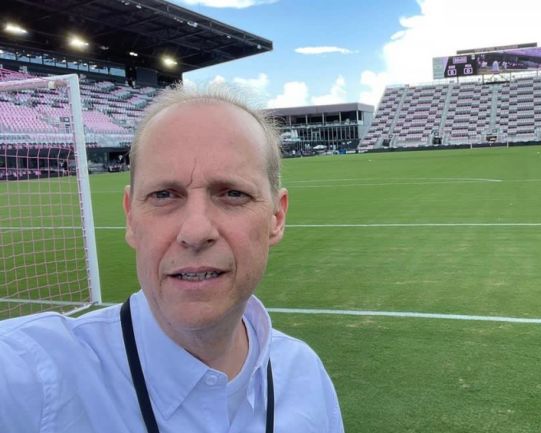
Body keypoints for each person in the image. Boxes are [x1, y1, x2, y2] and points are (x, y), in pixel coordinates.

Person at [0, 84, 344, 433]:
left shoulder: (304, 375)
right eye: (164, 194)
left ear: (276, 217)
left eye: (233, 194)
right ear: (131, 217)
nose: (195, 231)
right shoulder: (35, 375)